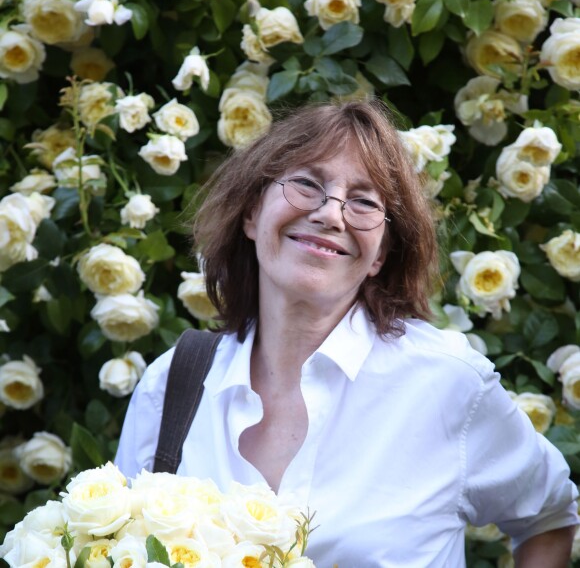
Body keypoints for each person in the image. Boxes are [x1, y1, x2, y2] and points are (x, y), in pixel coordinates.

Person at [115, 100, 578, 566]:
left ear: (379, 255)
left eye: (363, 202)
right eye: (306, 184)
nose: (331, 215)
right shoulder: (171, 385)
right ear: (252, 213)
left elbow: (548, 516)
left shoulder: (447, 384)